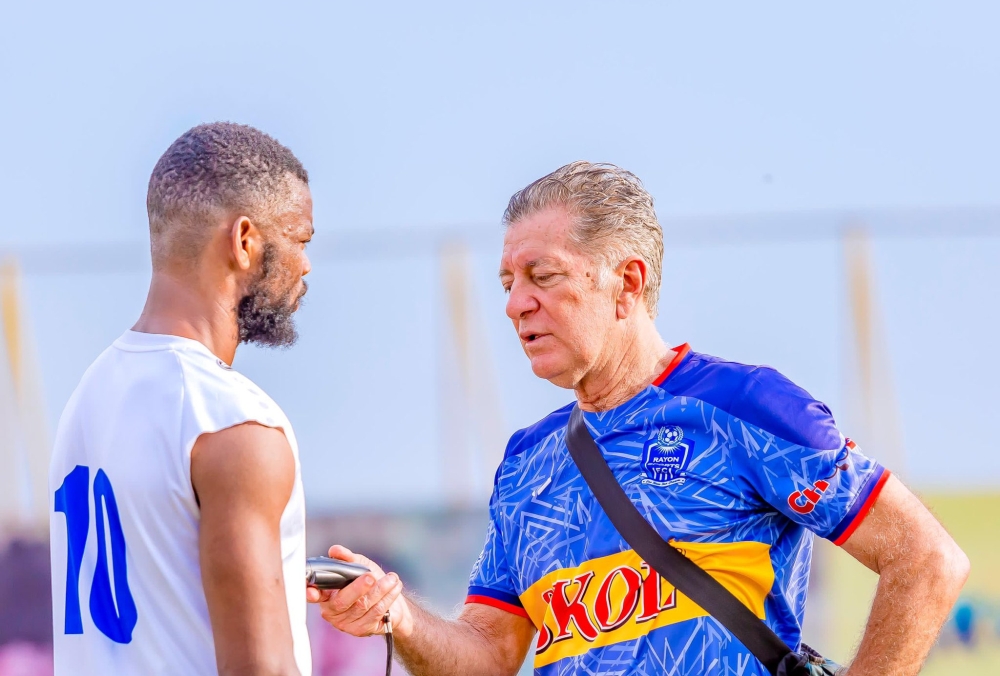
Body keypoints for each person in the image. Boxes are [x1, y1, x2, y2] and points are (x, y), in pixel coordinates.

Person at [311, 162, 970, 676]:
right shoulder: (526, 462)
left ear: (628, 282)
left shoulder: (742, 408)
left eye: (542, 275)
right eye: (507, 281)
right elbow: (487, 655)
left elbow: (926, 560)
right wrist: (395, 613)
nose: (515, 304)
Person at [49, 122, 314, 676]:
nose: (306, 265)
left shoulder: (89, 397)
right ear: (245, 241)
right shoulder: (232, 422)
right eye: (300, 238)